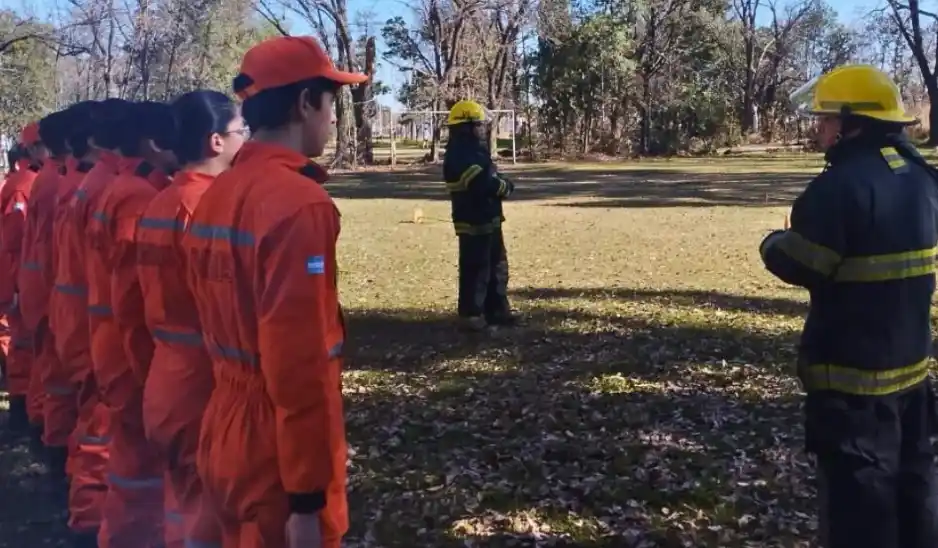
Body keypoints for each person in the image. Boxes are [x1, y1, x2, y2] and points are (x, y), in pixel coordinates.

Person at [181, 35, 366, 548]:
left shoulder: (217, 195)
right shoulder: (298, 204)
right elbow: (299, 363)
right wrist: (306, 500)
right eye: (330, 104)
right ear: (306, 102)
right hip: (276, 453)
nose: (332, 119)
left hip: (223, 427)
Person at [760, 64, 938, 548]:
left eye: (824, 118)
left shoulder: (838, 187)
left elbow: (804, 264)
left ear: (851, 122)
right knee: (914, 490)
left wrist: (773, 242)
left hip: (853, 385)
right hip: (912, 373)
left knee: (859, 507)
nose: (818, 128)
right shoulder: (921, 175)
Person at [135, 90, 246, 548]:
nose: (247, 140)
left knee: (182, 507)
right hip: (204, 383)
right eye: (242, 131)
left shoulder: (158, 202)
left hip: (166, 377)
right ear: (216, 142)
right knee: (210, 518)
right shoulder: (209, 208)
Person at [88, 100, 175, 548]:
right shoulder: (138, 198)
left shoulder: (121, 186)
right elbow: (132, 295)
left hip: (112, 341)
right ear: (150, 143)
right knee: (138, 469)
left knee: (129, 462)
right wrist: (149, 371)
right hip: (129, 350)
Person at [63, 97, 132, 548]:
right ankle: (91, 522)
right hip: (109, 325)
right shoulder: (121, 189)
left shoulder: (92, 183)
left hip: (84, 311)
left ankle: (86, 514)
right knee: (105, 429)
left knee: (91, 418)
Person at [442, 100, 516, 331]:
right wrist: (503, 186)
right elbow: (479, 182)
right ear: (466, 126)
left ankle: (496, 309)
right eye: (478, 125)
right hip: (473, 220)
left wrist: (499, 182)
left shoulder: (475, 150)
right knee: (476, 268)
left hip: (489, 217)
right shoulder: (459, 153)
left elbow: (489, 176)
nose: (482, 130)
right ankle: (472, 315)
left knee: (497, 265)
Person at [18, 113, 66, 446]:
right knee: (47, 364)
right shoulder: (43, 183)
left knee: (42, 362)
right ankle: (39, 431)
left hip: (38, 280)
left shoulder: (43, 181)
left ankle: (37, 426)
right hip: (44, 282)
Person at [0, 126, 40, 437]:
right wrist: (13, 286)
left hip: (26, 279)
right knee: (22, 347)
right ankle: (20, 416)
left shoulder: (28, 183)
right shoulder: (23, 186)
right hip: (19, 279)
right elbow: (14, 240)